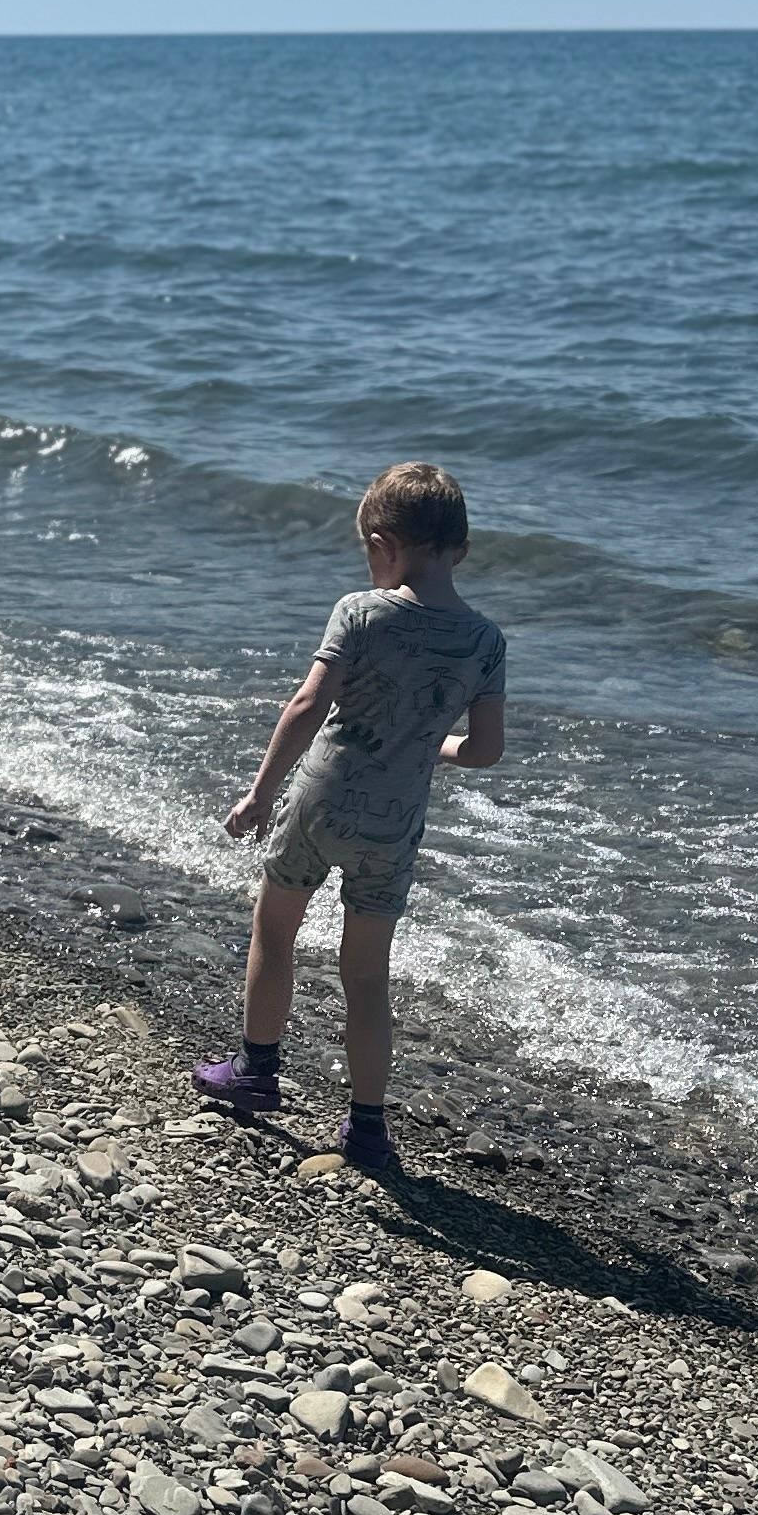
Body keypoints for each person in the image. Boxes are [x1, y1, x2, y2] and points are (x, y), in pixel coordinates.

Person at [193, 458, 507, 1177]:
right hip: (394, 826)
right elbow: (485, 750)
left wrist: (260, 793)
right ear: (459, 549)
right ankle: (367, 1130)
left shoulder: (361, 612)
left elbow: (305, 708)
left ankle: (256, 1071)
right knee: (368, 975)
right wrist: (438, 745)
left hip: (321, 803)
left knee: (275, 931)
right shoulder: (486, 641)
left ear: (379, 544)